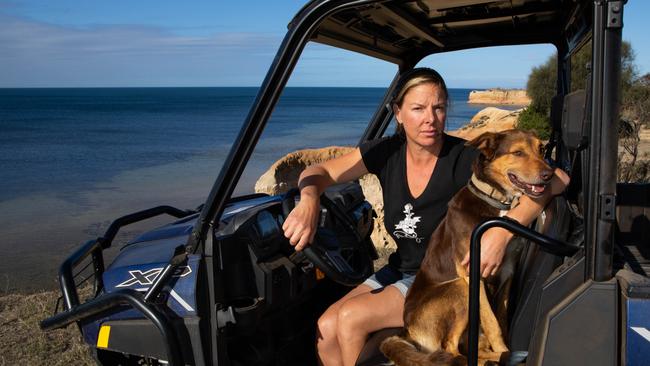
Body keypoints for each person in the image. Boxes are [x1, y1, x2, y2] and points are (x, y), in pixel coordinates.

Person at [282, 68, 569, 366]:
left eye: (439, 108)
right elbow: (321, 172)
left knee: (350, 319)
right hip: (399, 268)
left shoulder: (463, 157)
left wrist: (504, 229)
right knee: (326, 328)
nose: (430, 119)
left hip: (434, 278)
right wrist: (309, 200)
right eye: (418, 108)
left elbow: (558, 178)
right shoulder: (386, 152)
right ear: (399, 113)